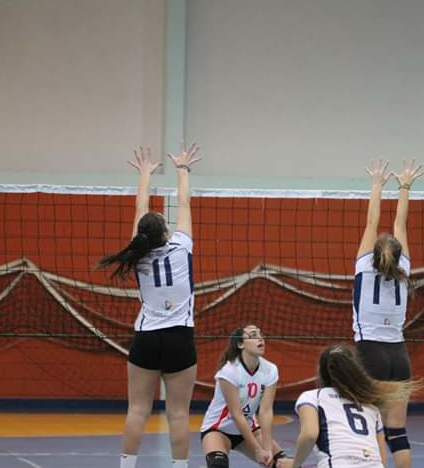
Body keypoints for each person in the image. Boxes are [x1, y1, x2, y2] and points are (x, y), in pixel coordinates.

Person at [99, 142, 202, 468]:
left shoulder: (138, 255)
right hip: (179, 337)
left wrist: (144, 174)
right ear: (167, 231)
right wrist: (182, 168)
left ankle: (126, 466)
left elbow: (139, 208)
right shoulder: (182, 245)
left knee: (137, 409)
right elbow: (184, 203)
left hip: (147, 337)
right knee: (178, 413)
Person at [352, 158, 423, 468]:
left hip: (370, 352)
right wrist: (404, 186)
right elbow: (400, 225)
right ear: (398, 255)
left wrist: (376, 185)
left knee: (372, 429)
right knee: (398, 432)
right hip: (399, 356)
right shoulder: (404, 269)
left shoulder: (364, 267)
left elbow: (372, 223)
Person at [277, 344, 421, 468]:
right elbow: (381, 459)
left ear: (321, 371)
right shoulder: (370, 406)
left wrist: (294, 464)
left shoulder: (313, 397)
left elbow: (309, 435)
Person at [200, 324, 290, 468]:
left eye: (261, 335)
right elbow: (237, 415)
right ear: (240, 344)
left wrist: (267, 449)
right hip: (219, 430)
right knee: (218, 465)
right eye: (254, 335)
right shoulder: (229, 371)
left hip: (250, 429)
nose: (260, 338)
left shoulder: (270, 370)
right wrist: (257, 450)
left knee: (284, 464)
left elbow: (266, 411)